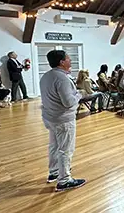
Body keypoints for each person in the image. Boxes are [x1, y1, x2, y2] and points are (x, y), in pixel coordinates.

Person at [40, 50, 86, 192]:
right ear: (62, 62)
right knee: (66, 149)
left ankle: (54, 172)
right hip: (63, 119)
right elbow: (68, 102)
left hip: (50, 117)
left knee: (54, 146)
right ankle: (64, 180)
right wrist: (79, 94)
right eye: (68, 58)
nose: (70, 60)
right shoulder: (62, 79)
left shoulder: (46, 76)